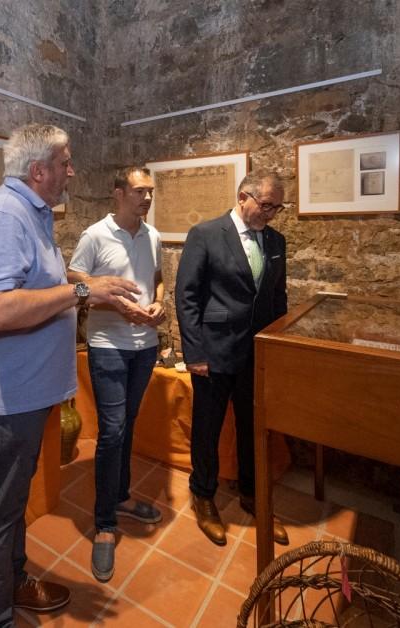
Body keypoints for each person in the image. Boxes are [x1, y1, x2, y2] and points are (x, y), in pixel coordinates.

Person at [0, 123, 140, 628]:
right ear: (39, 170)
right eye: (65, 162)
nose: (72, 171)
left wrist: (88, 281)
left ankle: (13, 581)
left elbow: (40, 280)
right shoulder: (5, 216)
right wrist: (82, 292)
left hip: (27, 390)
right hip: (8, 393)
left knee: (12, 503)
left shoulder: (31, 213)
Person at [175, 173, 291, 547]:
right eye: (267, 205)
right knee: (207, 429)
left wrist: (275, 347)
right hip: (213, 351)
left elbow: (277, 298)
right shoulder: (206, 234)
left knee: (252, 428)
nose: (272, 214)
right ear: (243, 197)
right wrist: (194, 353)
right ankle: (203, 495)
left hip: (255, 354)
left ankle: (252, 496)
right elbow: (187, 297)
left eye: (277, 207)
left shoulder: (276, 241)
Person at [66, 166, 166, 582]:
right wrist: (116, 305)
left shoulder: (153, 235)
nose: (147, 198)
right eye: (140, 191)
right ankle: (104, 522)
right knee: (111, 431)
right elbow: (75, 283)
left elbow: (157, 279)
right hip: (108, 345)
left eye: (151, 191)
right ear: (119, 193)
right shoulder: (94, 235)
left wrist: (159, 303)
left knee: (128, 424)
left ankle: (120, 495)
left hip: (145, 346)